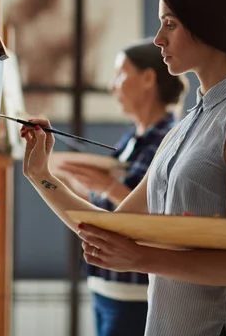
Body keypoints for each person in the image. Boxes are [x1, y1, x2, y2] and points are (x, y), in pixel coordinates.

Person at [20, 0, 226, 336]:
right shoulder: (186, 128)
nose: (158, 39)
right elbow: (113, 229)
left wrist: (141, 257)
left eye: (170, 24)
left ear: (209, 23)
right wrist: (40, 175)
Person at [52, 39, 187, 336]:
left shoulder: (169, 137)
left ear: (148, 78)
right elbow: (111, 203)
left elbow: (154, 213)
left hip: (134, 289)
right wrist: (78, 183)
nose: (113, 86)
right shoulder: (132, 137)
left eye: (120, 74)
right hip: (108, 283)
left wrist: (105, 184)